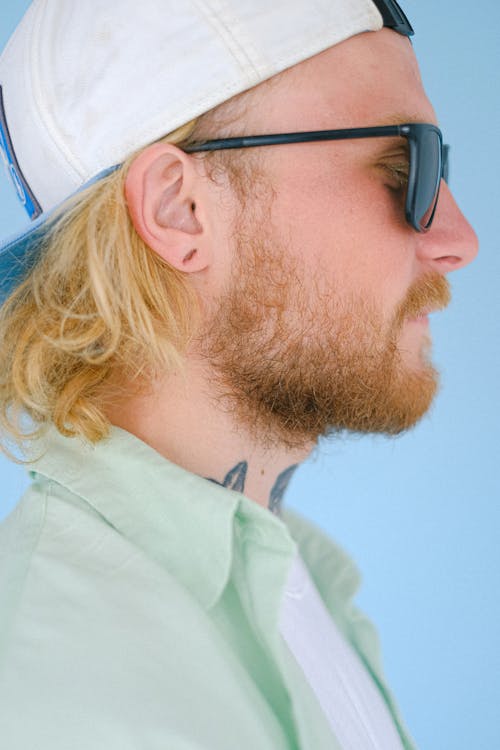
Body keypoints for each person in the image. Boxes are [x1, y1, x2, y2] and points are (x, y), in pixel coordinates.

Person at [0, 1, 478, 748]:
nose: (459, 238)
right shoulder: (63, 692)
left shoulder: (302, 583)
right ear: (180, 209)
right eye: (403, 168)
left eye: (437, 167)